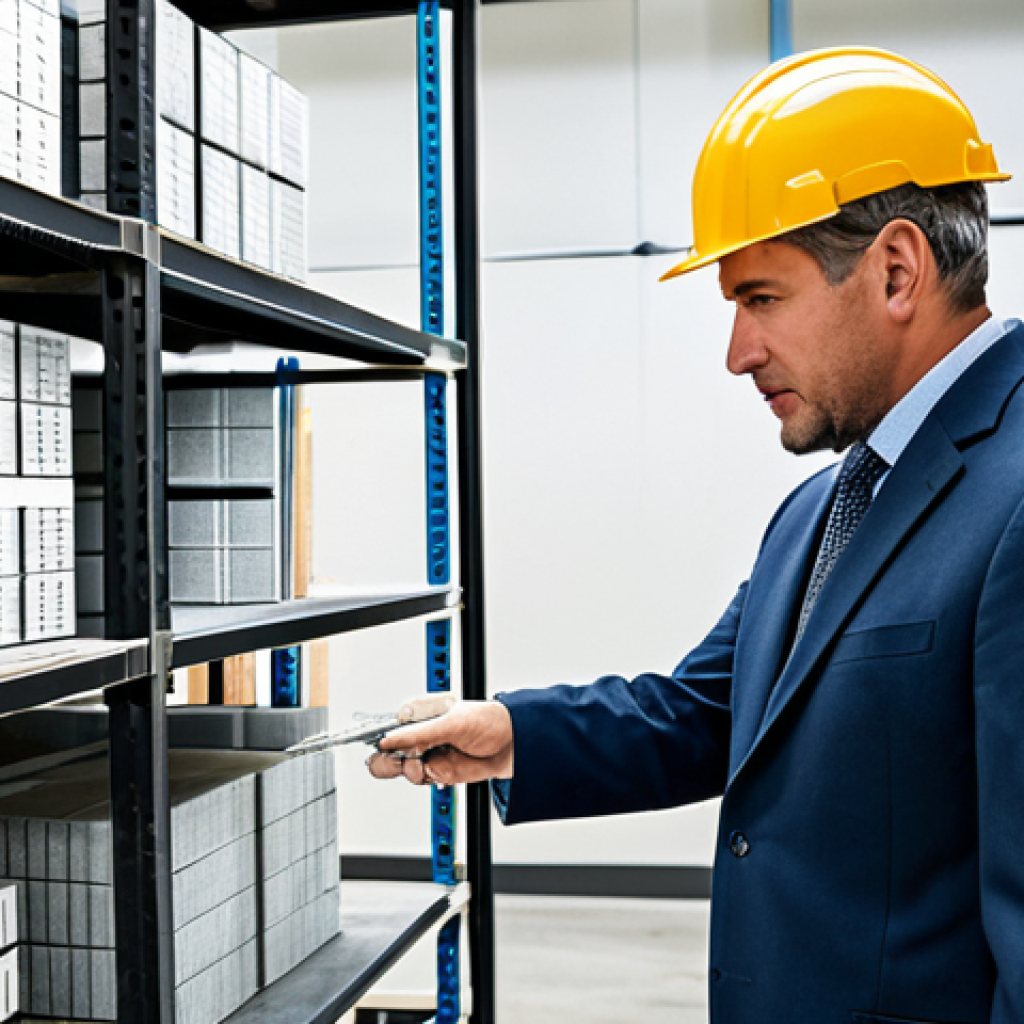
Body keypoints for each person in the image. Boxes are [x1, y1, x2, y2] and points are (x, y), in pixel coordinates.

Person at [369, 47, 1024, 1024]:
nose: (736, 354)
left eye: (760, 299)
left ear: (895, 269)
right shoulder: (822, 506)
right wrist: (509, 733)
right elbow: (708, 715)